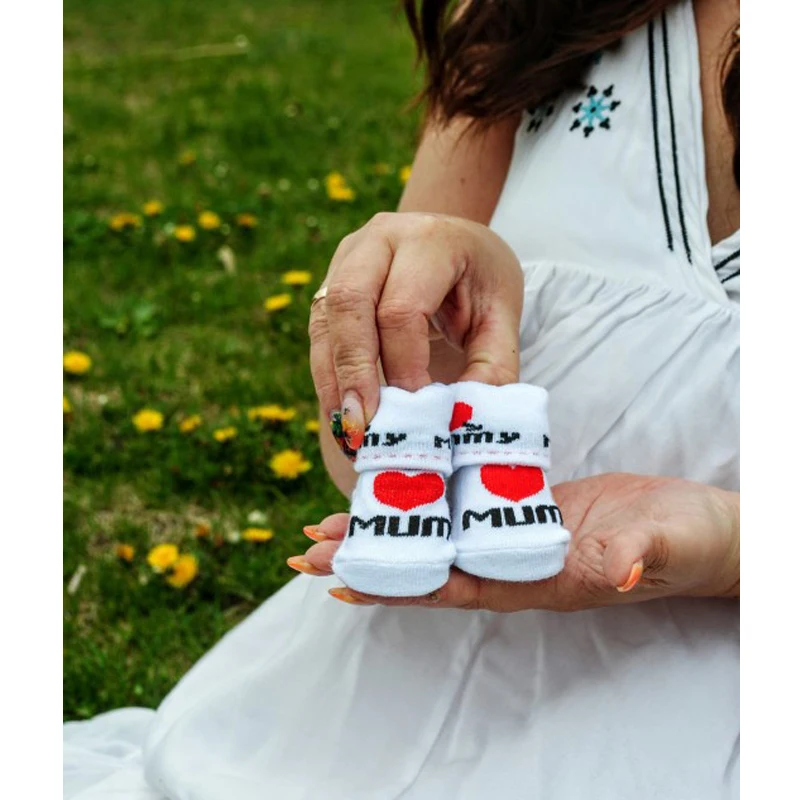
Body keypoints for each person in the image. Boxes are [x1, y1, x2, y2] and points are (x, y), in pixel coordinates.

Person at [64, 0, 740, 797]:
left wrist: (733, 546)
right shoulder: (542, 17)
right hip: (341, 722)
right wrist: (402, 351)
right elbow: (358, 463)